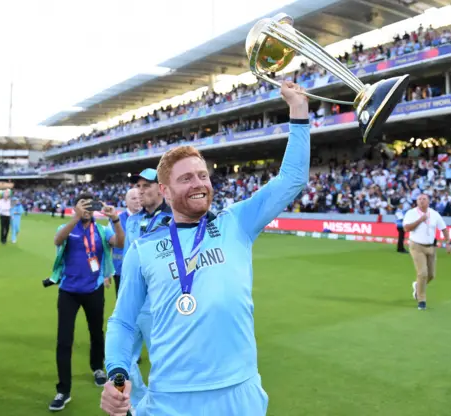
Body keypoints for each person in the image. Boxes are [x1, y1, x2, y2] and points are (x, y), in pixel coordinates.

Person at [101, 81, 310, 416]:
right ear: (165, 191)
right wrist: (116, 371)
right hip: (171, 398)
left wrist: (298, 111)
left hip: (239, 393)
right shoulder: (144, 248)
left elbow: (293, 180)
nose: (199, 183)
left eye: (202, 175)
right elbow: (124, 322)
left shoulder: (236, 223)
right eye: (186, 178)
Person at [48, 193, 125, 412]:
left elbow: (120, 242)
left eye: (90, 206)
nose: (87, 210)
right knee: (64, 340)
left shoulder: (101, 230)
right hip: (68, 292)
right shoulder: (68, 227)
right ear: (76, 207)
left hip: (93, 289)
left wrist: (116, 220)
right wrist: (74, 218)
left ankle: (97, 368)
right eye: (83, 206)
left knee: (96, 332)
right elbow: (57, 240)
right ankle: (63, 391)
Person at [119, 167, 174, 409]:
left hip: (160, 304)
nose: (140, 192)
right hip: (133, 303)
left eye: (146, 186)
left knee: (164, 362)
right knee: (122, 360)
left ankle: (166, 406)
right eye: (138, 187)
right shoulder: (133, 221)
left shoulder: (174, 219)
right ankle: (141, 404)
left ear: (161, 188)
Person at [402, 193, 451, 311]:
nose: (421, 201)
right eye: (419, 199)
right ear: (416, 202)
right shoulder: (411, 213)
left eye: (424, 199)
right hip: (416, 246)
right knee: (422, 273)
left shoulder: (434, 214)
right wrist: (420, 220)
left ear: (428, 201)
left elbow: (444, 228)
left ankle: (417, 286)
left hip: (431, 247)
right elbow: (406, 228)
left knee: (431, 275)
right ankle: (421, 300)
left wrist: (448, 242)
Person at [112, 188, 141, 298]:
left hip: (144, 270)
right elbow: (109, 244)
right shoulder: (116, 220)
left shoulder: (149, 217)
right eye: (133, 198)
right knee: (123, 304)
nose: (137, 201)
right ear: (126, 202)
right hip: (121, 270)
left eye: (139, 197)